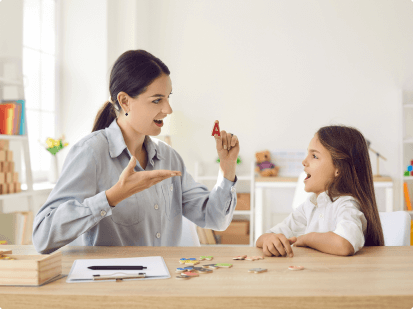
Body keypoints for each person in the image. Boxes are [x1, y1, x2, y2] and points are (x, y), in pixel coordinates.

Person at [32, 50, 240, 254]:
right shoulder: (91, 153)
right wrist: (113, 196)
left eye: (168, 97)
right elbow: (42, 237)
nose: (168, 110)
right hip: (111, 285)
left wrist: (227, 167)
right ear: (125, 101)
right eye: (157, 100)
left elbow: (216, 219)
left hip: (165, 285)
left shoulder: (169, 158)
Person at [256, 125, 384, 257]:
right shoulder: (310, 206)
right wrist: (269, 239)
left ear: (338, 168)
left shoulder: (346, 205)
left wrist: (306, 238)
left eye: (314, 156)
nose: (304, 161)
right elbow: (263, 238)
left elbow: (344, 244)